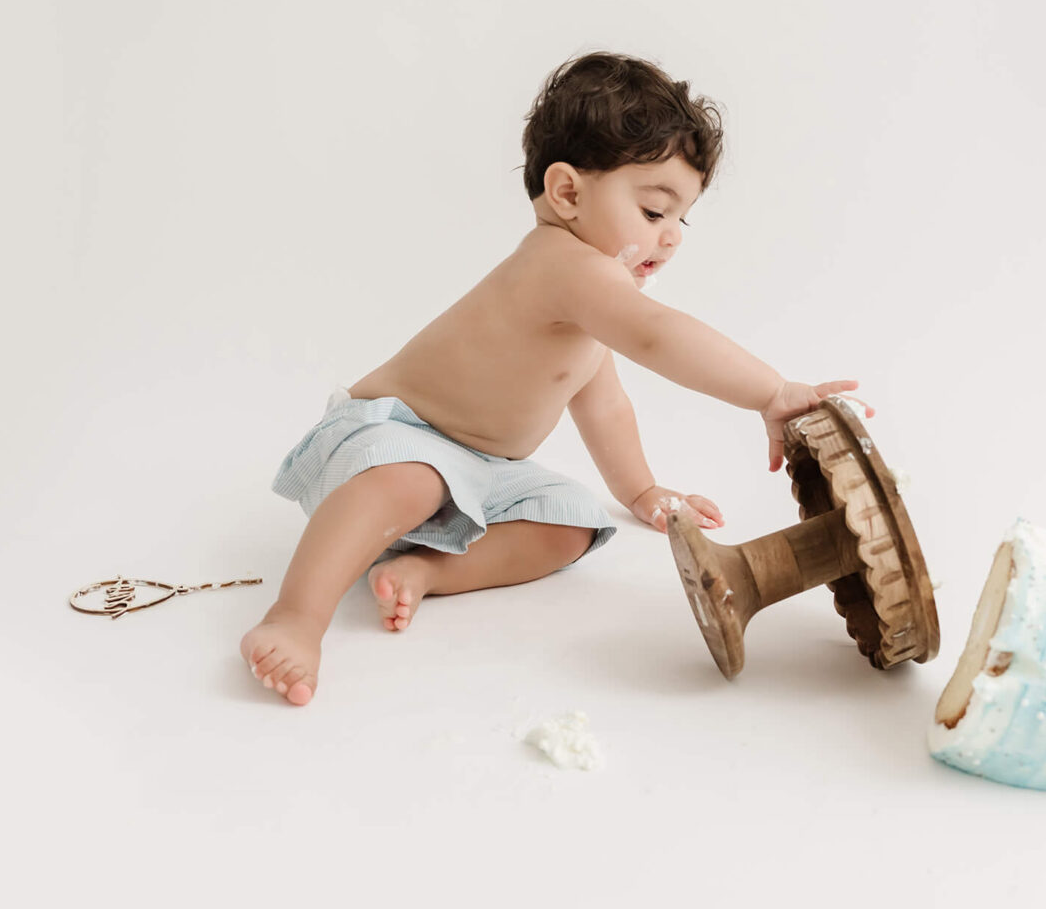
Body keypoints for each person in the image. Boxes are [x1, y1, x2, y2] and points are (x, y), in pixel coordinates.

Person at [240, 51, 870, 704]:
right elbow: (659, 334)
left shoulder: (593, 297)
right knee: (409, 478)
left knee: (572, 522)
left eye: (682, 218)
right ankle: (296, 616)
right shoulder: (565, 267)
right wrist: (769, 391)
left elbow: (605, 406)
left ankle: (428, 568)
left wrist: (641, 488)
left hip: (475, 469)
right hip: (390, 438)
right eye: (655, 211)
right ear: (567, 191)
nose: (672, 236)